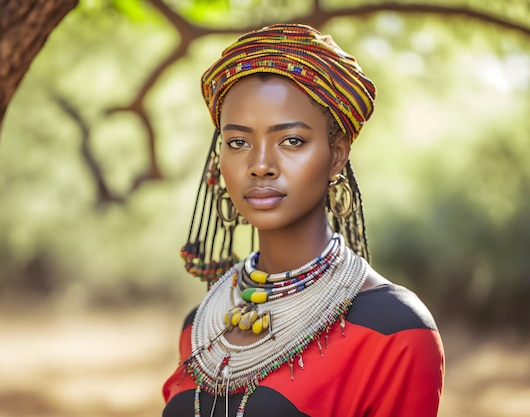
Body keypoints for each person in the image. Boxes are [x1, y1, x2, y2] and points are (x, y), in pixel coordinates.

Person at [162, 23, 444, 417]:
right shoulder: (202, 326)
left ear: (337, 154)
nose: (260, 165)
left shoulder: (392, 329)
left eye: (291, 141)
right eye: (238, 142)